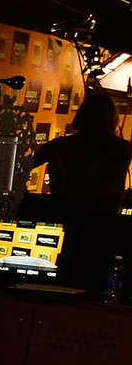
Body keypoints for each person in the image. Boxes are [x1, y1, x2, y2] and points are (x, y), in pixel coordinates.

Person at [38, 90, 130, 290]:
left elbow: (20, 166)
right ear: (111, 118)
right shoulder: (120, 148)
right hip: (101, 226)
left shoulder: (59, 145)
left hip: (60, 220)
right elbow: (112, 189)